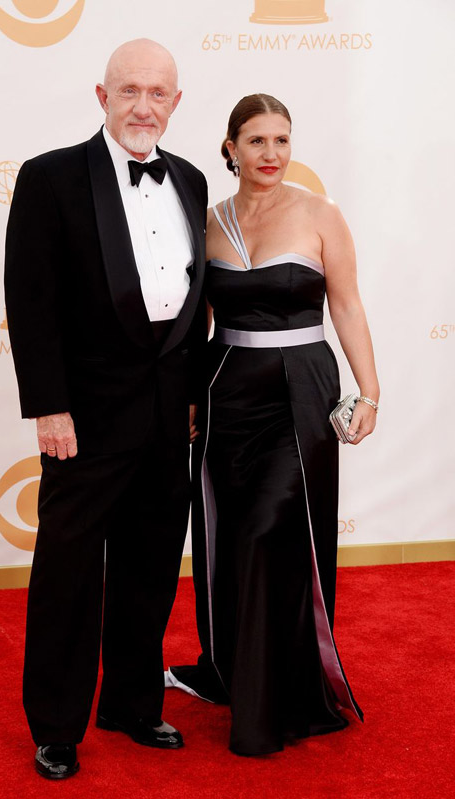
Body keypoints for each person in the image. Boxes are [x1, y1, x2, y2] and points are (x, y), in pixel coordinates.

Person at [4, 39, 207, 780]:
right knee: (68, 571)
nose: (143, 106)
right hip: (83, 417)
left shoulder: (190, 180)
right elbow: (30, 301)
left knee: (149, 565)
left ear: (175, 103)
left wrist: (191, 397)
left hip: (167, 414)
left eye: (157, 93)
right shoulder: (51, 177)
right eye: (129, 91)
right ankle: (57, 724)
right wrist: (48, 407)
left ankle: (131, 700)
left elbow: (193, 301)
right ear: (103, 96)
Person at [167, 94, 379, 756]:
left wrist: (370, 392)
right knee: (230, 534)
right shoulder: (207, 222)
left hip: (301, 391)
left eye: (282, 140)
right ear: (230, 148)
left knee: (268, 529)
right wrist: (188, 395)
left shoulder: (321, 214)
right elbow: (198, 323)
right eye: (257, 141)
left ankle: (275, 700)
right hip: (226, 394)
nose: (272, 154)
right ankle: (233, 669)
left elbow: (347, 305)